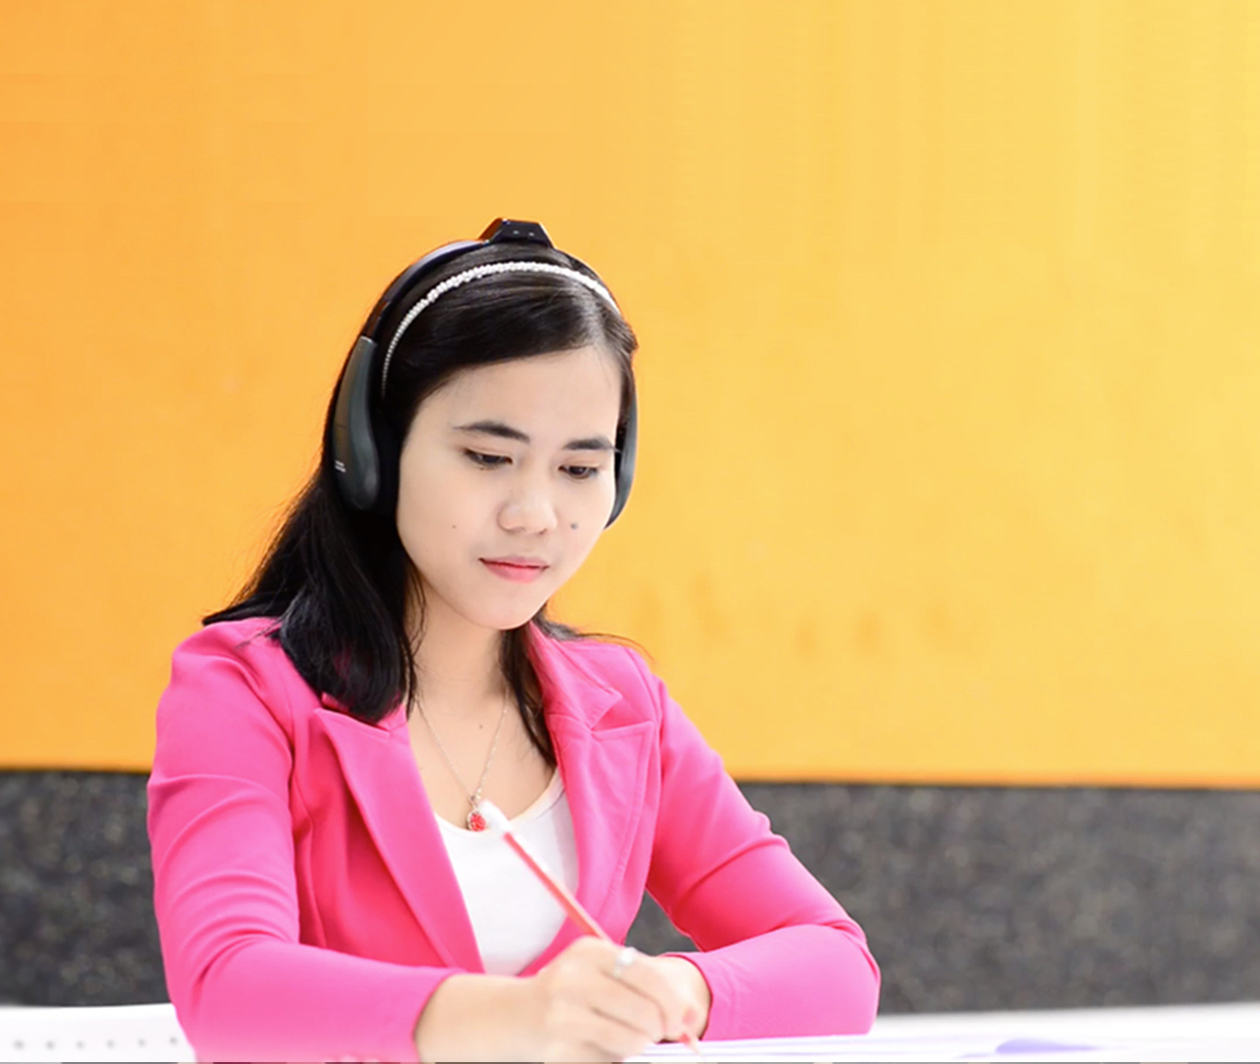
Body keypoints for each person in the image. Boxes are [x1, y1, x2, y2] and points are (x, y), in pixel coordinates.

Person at [146, 218, 880, 1063]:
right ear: (371, 449)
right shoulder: (245, 690)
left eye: (578, 470)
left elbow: (837, 962)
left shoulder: (621, 708)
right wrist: (519, 1018)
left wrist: (680, 991)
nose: (535, 516)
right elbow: (229, 992)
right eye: (489, 457)